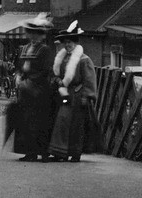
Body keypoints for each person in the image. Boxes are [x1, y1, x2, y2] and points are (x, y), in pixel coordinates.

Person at [48, 20, 98, 162]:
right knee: (61, 122)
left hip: (77, 95)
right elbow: (57, 75)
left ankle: (75, 153)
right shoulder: (62, 59)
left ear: (75, 43)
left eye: (70, 42)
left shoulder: (84, 60)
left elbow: (89, 79)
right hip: (64, 93)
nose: (68, 45)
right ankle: (60, 152)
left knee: (77, 125)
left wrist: (87, 96)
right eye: (66, 43)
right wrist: (58, 81)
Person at [12, 13, 54, 162]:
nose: (33, 37)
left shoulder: (45, 50)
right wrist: (18, 76)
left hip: (40, 90)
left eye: (36, 34)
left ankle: (43, 152)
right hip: (24, 90)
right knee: (25, 121)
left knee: (40, 121)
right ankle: (29, 152)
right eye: (31, 33)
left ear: (41, 35)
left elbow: (46, 70)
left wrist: (30, 81)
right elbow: (19, 66)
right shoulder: (24, 49)